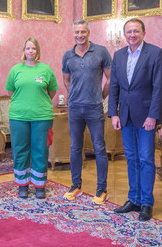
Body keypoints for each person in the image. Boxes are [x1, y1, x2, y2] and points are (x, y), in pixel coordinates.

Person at [108, 18, 162, 221]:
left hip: (146, 118)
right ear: (124, 35)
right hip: (125, 116)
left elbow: (159, 88)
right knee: (131, 159)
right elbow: (114, 86)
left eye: (136, 31)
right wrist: (114, 113)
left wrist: (153, 115)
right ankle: (133, 199)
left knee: (146, 160)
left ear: (143, 33)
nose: (132, 35)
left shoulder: (155, 53)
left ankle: (146, 203)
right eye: (129, 31)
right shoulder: (118, 55)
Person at [62, 20, 111, 204]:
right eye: (76, 32)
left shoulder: (101, 52)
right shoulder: (68, 55)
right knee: (75, 147)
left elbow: (109, 79)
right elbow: (66, 80)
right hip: (74, 108)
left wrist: (100, 96)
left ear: (88, 32)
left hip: (94, 107)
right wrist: (74, 95)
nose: (79, 35)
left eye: (83, 32)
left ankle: (102, 189)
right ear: (73, 33)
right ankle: (76, 186)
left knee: (99, 147)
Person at [5, 38, 58, 199]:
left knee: (40, 150)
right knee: (20, 149)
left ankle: (39, 185)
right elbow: (10, 92)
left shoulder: (46, 70)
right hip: (18, 116)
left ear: (38, 51)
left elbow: (52, 92)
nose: (30, 51)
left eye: (33, 48)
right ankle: (22, 185)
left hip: (42, 116)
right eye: (28, 48)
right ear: (24, 51)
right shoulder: (15, 70)